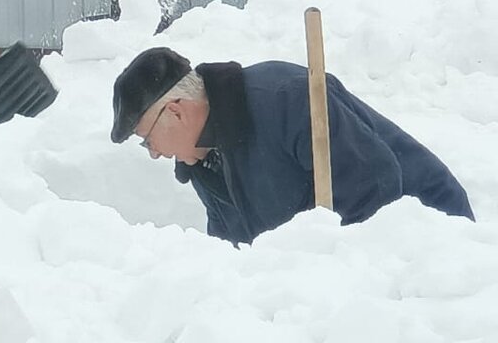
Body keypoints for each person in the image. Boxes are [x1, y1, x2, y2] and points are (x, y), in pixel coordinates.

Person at [110, 47, 474, 244]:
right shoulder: (203, 160)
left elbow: (374, 186)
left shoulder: (285, 98)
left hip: (431, 241)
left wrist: (327, 272)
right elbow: (235, 250)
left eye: (147, 140)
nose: (155, 152)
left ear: (176, 111)